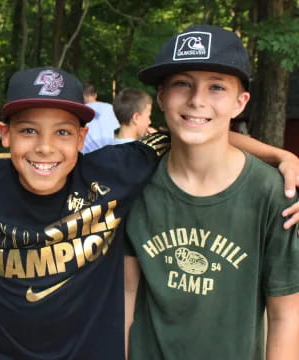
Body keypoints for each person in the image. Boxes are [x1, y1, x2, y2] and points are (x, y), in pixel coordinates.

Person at [0, 66, 299, 360]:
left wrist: (279, 156)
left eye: (63, 132)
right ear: (4, 133)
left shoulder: (115, 170)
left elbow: (193, 129)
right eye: (28, 131)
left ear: (83, 136)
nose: (45, 148)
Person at [124, 24, 299, 360]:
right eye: (182, 84)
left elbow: (286, 314)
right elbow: (127, 293)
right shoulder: (135, 180)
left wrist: (282, 157)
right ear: (161, 97)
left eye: (216, 87)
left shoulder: (272, 193)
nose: (197, 100)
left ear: (240, 102)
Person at [81, 81, 120, 153]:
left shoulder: (80, 111)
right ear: (95, 95)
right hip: (112, 152)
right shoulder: (110, 108)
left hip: (88, 156)